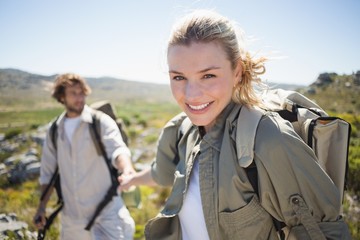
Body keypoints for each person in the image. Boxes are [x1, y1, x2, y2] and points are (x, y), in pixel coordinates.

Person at [118, 10, 351, 239]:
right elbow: (162, 174)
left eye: (208, 76)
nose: (192, 94)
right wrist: (132, 179)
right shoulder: (180, 130)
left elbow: (323, 232)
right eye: (179, 77)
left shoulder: (268, 139)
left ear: (237, 72)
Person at [33, 73, 135, 240]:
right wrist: (41, 208)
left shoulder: (100, 122)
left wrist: (127, 169)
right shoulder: (54, 131)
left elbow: (118, 150)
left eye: (82, 93)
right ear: (62, 97)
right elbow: (48, 173)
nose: (79, 97)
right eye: (73, 93)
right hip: (72, 222)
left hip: (107, 215)